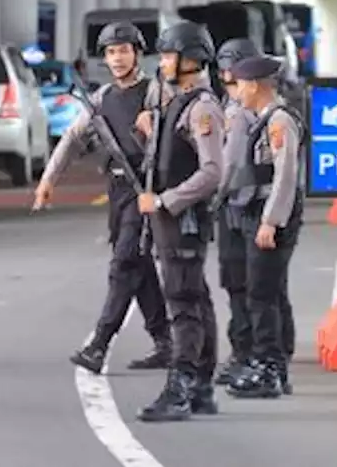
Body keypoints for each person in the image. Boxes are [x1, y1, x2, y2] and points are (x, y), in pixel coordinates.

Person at [33, 22, 172, 374]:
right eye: (111, 52)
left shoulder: (158, 93)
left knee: (125, 264)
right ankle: (164, 341)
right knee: (138, 266)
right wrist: (48, 180)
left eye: (124, 50)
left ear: (138, 54)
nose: (118, 58)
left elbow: (178, 137)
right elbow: (72, 139)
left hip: (149, 187)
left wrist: (152, 129)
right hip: (119, 190)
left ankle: (100, 343)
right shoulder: (101, 99)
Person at [133, 21, 224, 423]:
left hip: (182, 218)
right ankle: (201, 386)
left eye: (169, 56)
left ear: (191, 60)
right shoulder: (174, 102)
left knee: (183, 303)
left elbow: (211, 172)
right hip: (172, 218)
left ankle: (181, 387)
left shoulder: (202, 107)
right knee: (196, 298)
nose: (163, 63)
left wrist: (165, 201)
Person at [224, 55, 303, 399]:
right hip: (256, 211)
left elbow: (286, 177)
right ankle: (267, 364)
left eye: (240, 83)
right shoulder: (260, 117)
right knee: (258, 289)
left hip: (272, 215)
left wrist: (270, 222)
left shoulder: (279, 121)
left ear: (254, 85)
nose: (236, 90)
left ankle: (270, 366)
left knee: (262, 294)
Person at [209, 37, 260, 386]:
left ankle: (252, 354)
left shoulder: (246, 111)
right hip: (235, 206)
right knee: (239, 283)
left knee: (251, 286)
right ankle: (252, 352)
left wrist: (206, 196)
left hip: (247, 205)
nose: (228, 74)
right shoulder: (229, 106)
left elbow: (229, 166)